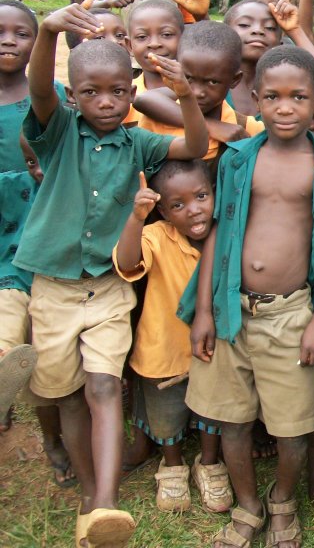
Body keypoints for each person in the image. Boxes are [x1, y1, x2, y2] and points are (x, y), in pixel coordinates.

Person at [15, 0, 208, 547]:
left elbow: (194, 145)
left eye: (119, 91)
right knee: (67, 392)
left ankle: (104, 502)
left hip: (107, 288)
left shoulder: (139, 143)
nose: (106, 102)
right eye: (92, 93)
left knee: (103, 384)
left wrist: (186, 96)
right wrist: (49, 32)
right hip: (52, 287)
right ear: (73, 96)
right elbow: (37, 90)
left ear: (132, 88)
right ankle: (86, 490)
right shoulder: (57, 131)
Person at [180, 45, 314, 548]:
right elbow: (216, 231)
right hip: (230, 310)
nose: (285, 107)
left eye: (298, 97)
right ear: (255, 99)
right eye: (274, 97)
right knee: (230, 418)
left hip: (290, 316)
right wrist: (203, 312)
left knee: (292, 426)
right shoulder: (238, 159)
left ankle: (282, 500)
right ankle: (249, 505)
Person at [112, 161, 231, 513]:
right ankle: (173, 465)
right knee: (166, 415)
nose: (193, 209)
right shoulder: (157, 235)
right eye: (178, 205)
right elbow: (127, 262)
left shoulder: (226, 232)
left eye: (201, 196)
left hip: (213, 351)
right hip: (162, 352)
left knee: (213, 411)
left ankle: (209, 464)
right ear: (163, 210)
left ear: (214, 193)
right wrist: (137, 218)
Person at [0, 0, 74, 489]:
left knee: (42, 348)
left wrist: (51, 31)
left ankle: (51, 438)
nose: (9, 40)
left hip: (43, 229)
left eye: (22, 33)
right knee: (7, 324)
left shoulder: (55, 97)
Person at [133, 20, 264, 167]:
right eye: (187, 78)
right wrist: (211, 126)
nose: (196, 92)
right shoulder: (155, 121)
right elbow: (143, 99)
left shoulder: (246, 127)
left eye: (212, 82)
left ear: (235, 80)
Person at [223, 0, 283, 117]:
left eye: (270, 27)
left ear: (280, 43)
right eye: (244, 25)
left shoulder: (286, 84)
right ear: (223, 35)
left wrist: (295, 30)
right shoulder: (210, 80)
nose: (258, 30)